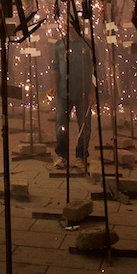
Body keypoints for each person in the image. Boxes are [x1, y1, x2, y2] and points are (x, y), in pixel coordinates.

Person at [49, 19, 94, 170]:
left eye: (73, 27)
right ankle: (62, 155)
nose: (70, 30)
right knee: (61, 124)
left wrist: (92, 92)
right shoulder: (59, 45)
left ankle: (81, 156)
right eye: (68, 27)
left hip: (82, 91)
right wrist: (55, 87)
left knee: (85, 125)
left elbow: (93, 69)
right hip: (63, 92)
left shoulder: (87, 45)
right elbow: (55, 67)